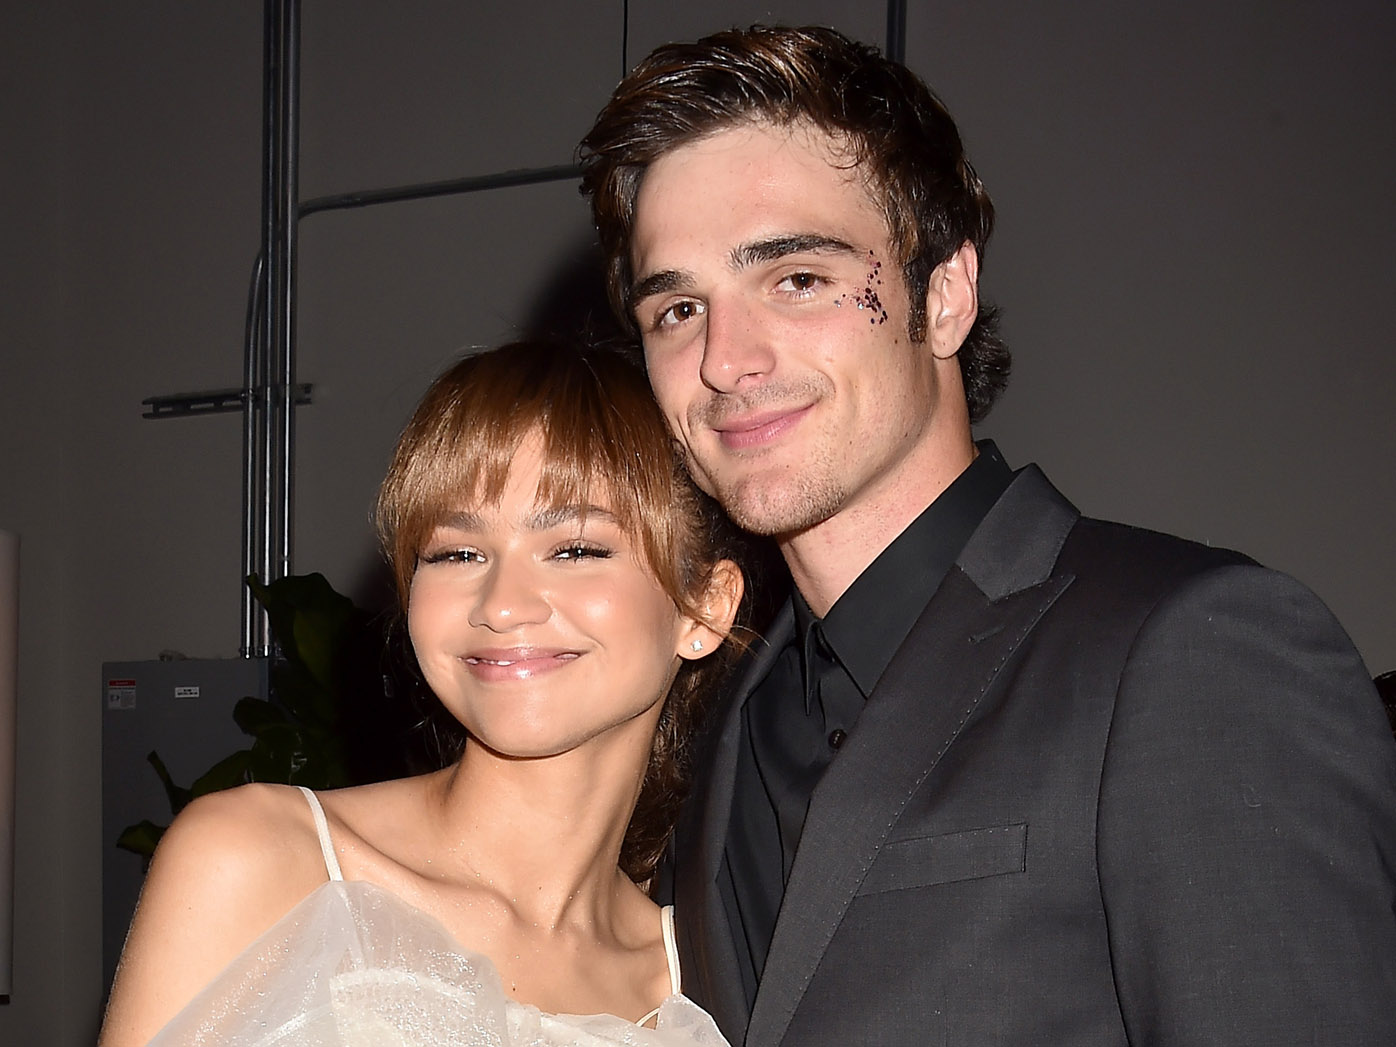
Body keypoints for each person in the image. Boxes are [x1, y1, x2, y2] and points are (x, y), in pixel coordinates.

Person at [579, 24, 1396, 1047]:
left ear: (944, 296)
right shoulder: (709, 719)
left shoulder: (1195, 651)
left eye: (797, 279)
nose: (724, 360)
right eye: (677, 309)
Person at [98, 340, 747, 1046]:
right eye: (457, 553)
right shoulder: (259, 861)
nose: (501, 604)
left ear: (703, 608)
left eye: (574, 549)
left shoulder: (704, 982)